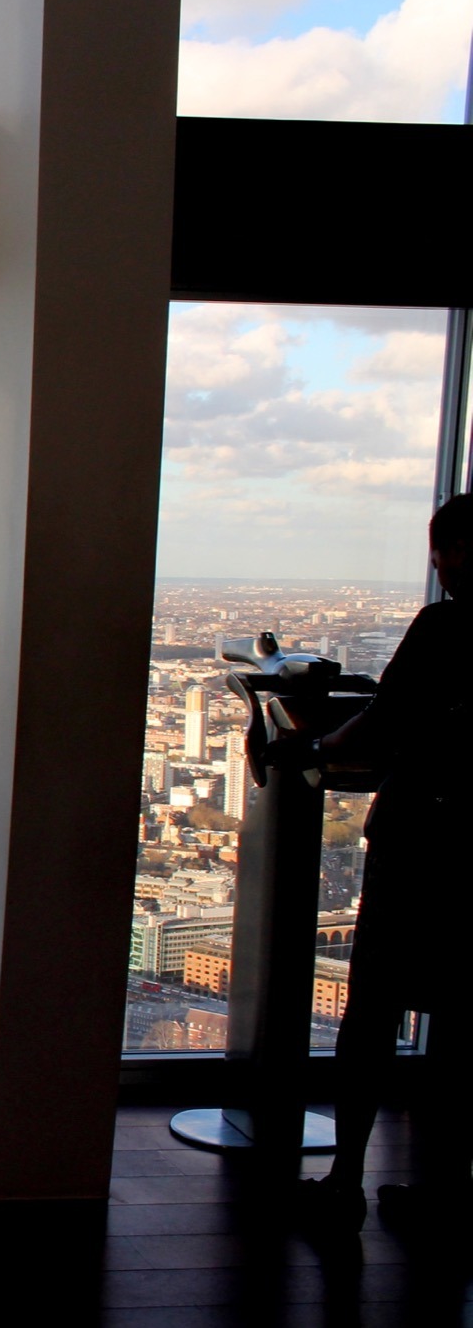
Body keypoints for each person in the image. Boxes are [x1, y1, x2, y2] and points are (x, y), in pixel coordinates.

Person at [299, 493, 472, 1229]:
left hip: (421, 842)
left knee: (372, 1010)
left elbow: (384, 719)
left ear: (448, 552)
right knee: (464, 1022)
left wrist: (316, 746)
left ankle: (345, 1177)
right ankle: (449, 1189)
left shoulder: (446, 626)